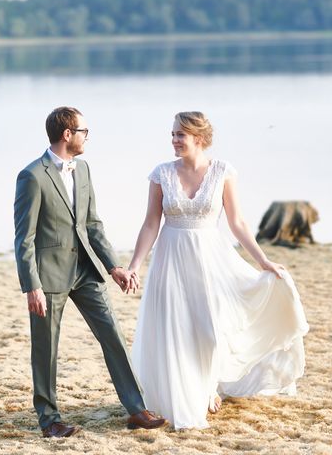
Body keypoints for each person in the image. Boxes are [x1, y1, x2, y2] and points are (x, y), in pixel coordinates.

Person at [127, 111, 309, 429]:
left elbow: (237, 223)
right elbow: (151, 223)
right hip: (170, 258)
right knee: (176, 328)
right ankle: (189, 392)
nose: (173, 140)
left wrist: (263, 261)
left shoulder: (223, 172)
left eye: (179, 135)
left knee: (210, 330)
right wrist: (134, 266)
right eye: (172, 134)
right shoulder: (161, 174)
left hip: (210, 258)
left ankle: (210, 385)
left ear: (198, 138)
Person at [14, 106, 166, 437]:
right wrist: (31, 286)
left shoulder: (82, 169)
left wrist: (114, 267)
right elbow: (23, 238)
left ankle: (137, 408)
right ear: (67, 134)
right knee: (46, 350)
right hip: (49, 277)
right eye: (84, 131)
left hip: (86, 270)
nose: (87, 137)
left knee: (113, 335)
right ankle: (49, 420)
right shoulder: (32, 176)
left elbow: (92, 224)